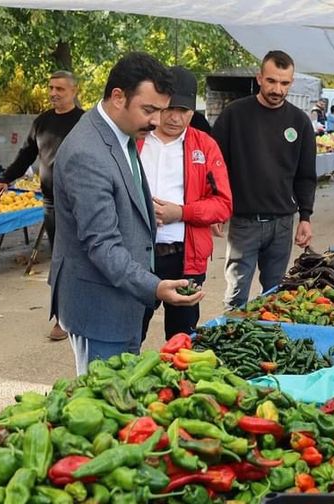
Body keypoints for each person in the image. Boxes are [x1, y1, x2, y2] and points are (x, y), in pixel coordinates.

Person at [49, 52, 204, 375]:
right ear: (118, 97)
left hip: (122, 299)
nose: (157, 122)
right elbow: (102, 245)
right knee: (102, 407)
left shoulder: (122, 133)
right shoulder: (86, 154)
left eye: (161, 111)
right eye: (149, 110)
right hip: (99, 306)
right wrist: (155, 287)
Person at [212, 50, 316, 310]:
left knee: (275, 296)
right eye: (271, 81)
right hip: (244, 222)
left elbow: (306, 175)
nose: (277, 89)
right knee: (236, 295)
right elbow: (215, 167)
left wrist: (305, 216)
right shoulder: (234, 115)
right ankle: (232, 344)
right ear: (259, 78)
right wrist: (216, 208)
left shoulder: (300, 122)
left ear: (291, 83)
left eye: (284, 83)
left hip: (282, 223)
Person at [138, 66, 233, 340]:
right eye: (169, 108)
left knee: (182, 339)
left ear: (193, 111)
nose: (176, 118)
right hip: (139, 256)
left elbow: (223, 204)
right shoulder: (137, 140)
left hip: (185, 258)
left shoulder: (204, 145)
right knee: (130, 332)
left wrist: (180, 212)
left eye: (184, 111)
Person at [0, 70, 84, 341]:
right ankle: (63, 318)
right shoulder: (42, 122)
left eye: (60, 89)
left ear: (74, 91)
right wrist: (5, 178)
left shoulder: (86, 122)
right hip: (52, 204)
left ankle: (85, 312)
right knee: (60, 262)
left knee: (84, 259)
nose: (54, 93)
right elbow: (26, 154)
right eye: (50, 88)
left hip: (82, 203)